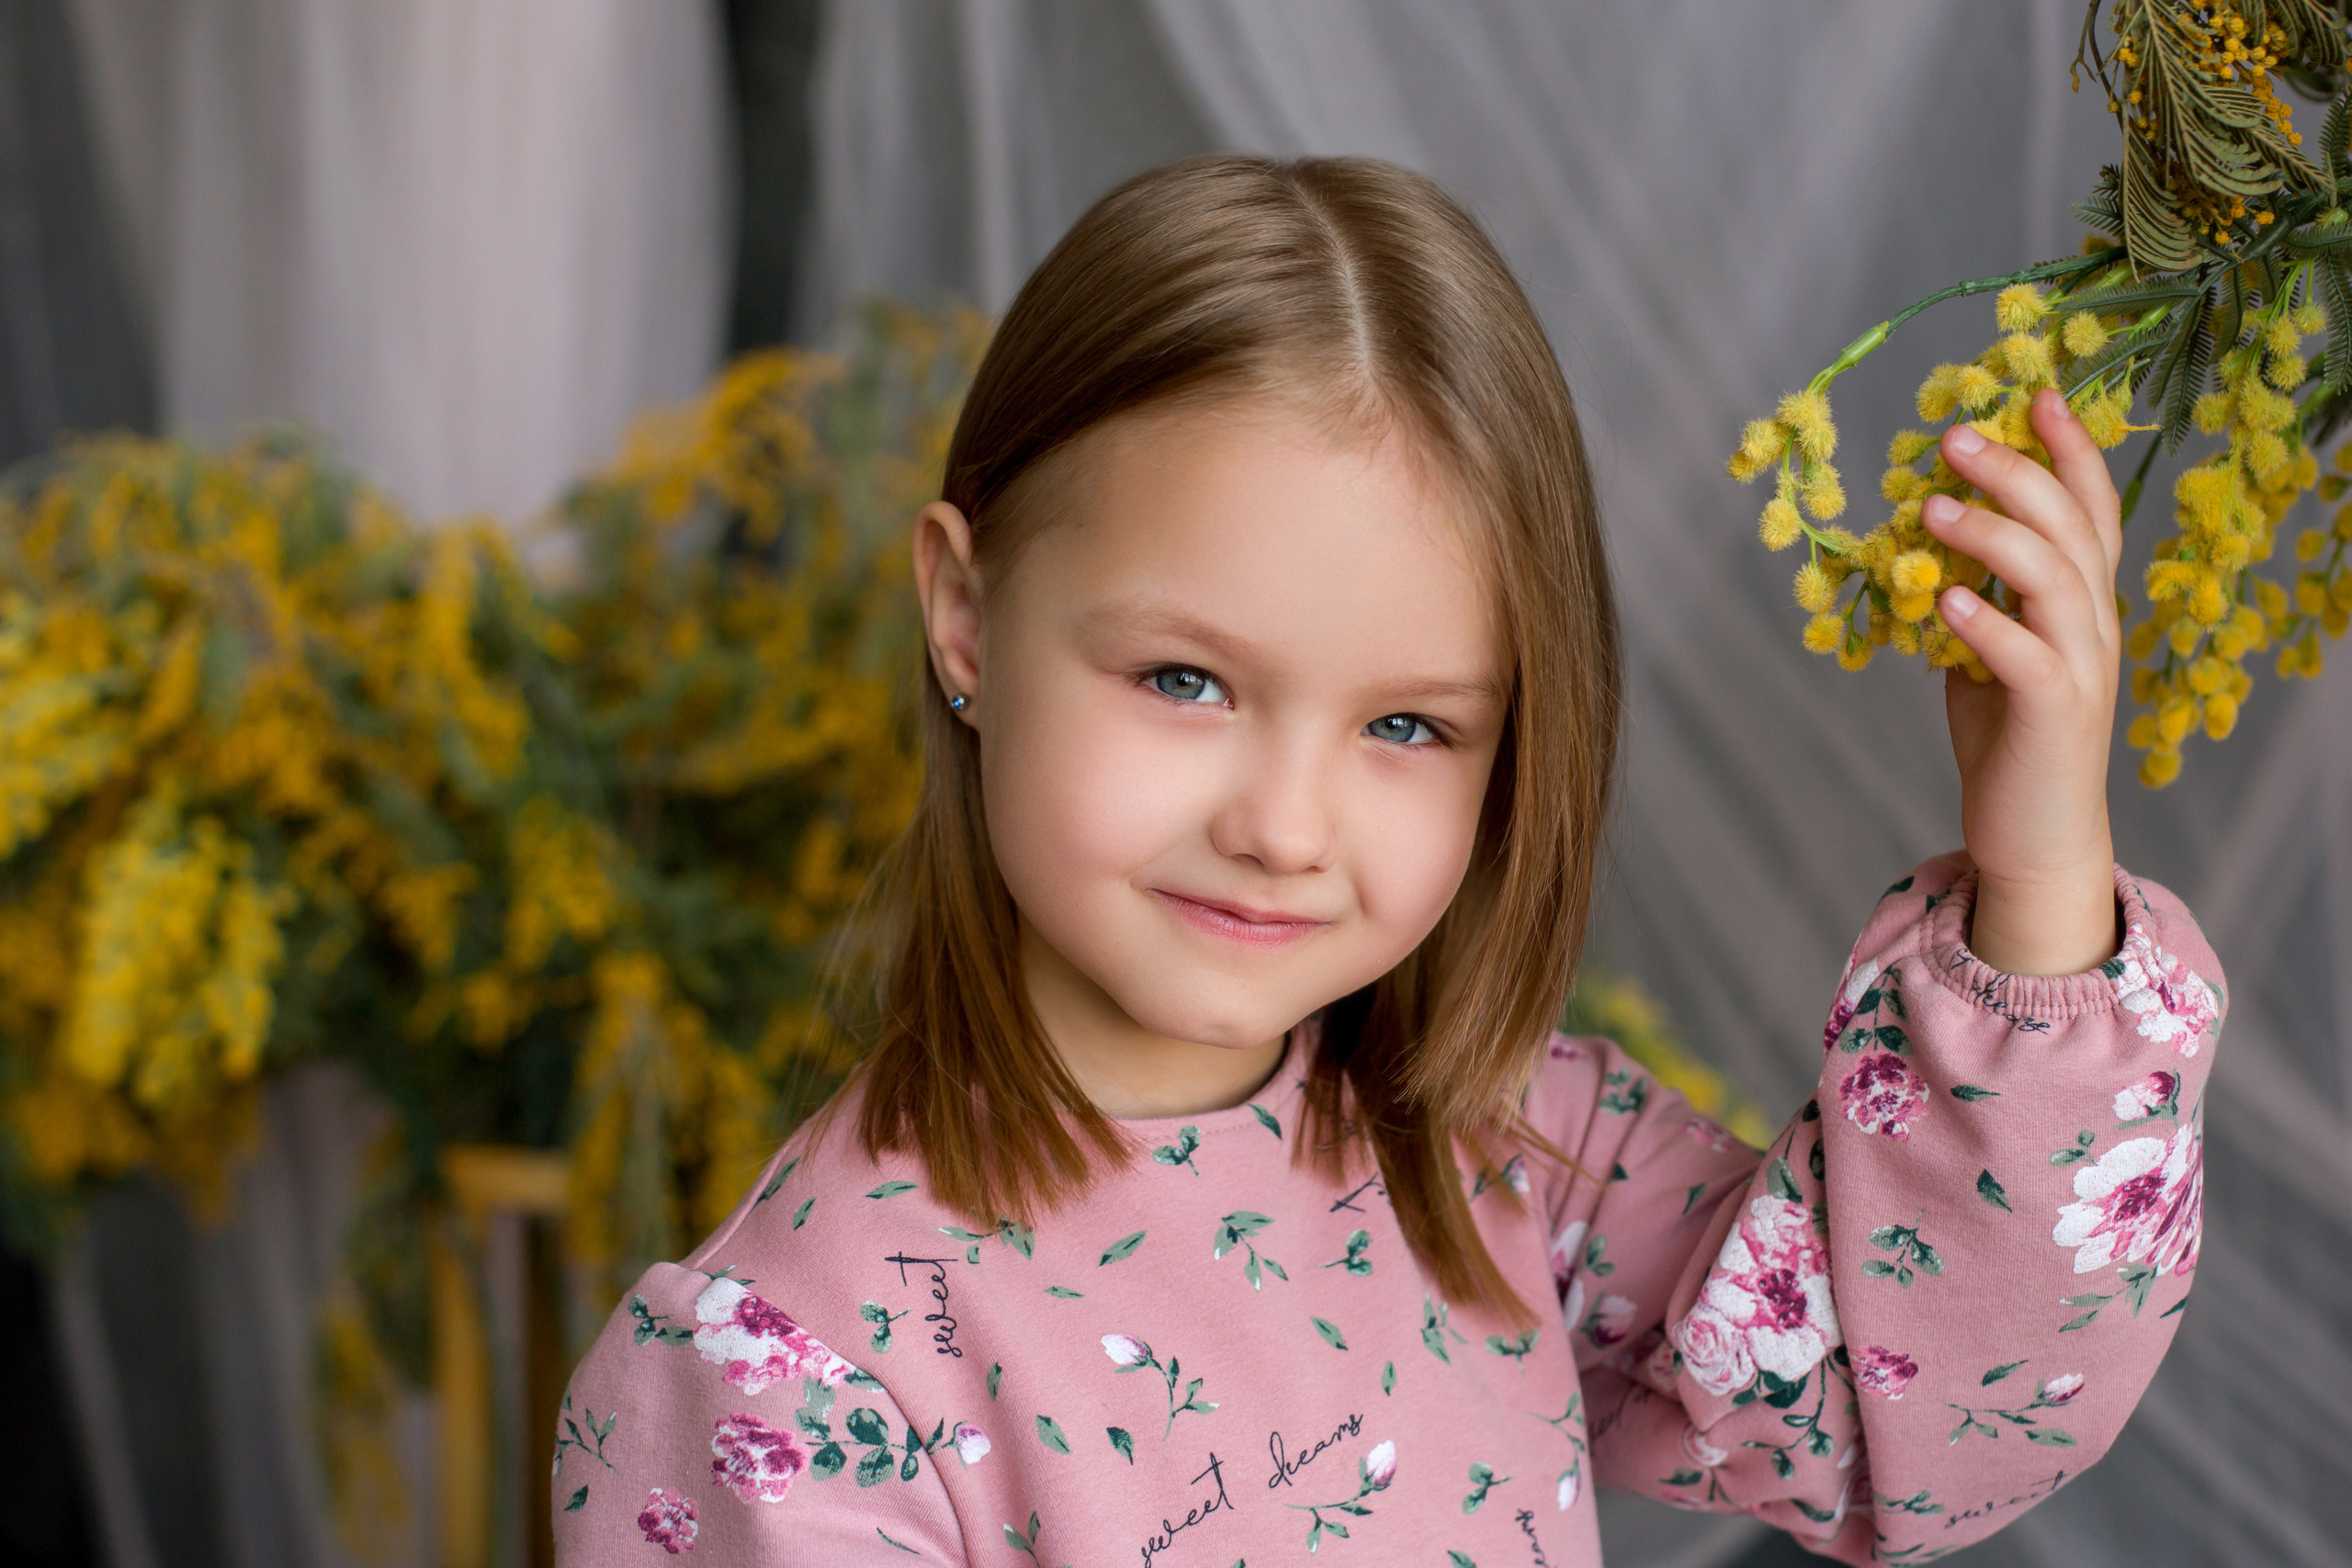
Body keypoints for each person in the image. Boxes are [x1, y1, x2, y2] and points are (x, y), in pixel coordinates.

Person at [548, 153, 2218, 1565]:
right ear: (966, 618)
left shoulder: (1514, 1160)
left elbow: (1931, 1411)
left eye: (1408, 727)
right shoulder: (796, 1379)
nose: (1283, 826)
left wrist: (2041, 876)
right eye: (1184, 682)